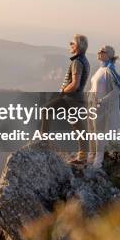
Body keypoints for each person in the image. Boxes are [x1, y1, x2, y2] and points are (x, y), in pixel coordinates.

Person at [40, 34, 90, 164]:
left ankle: (43, 141)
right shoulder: (84, 60)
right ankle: (83, 157)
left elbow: (75, 84)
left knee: (46, 110)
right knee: (79, 127)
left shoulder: (77, 62)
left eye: (71, 43)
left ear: (77, 46)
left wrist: (62, 91)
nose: (70, 45)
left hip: (70, 98)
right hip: (77, 99)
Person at [88, 45, 120, 169]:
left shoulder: (109, 71)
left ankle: (97, 162)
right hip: (92, 106)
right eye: (99, 50)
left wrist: (102, 101)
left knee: (99, 134)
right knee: (92, 132)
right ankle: (91, 157)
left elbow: (117, 91)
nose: (99, 52)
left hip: (101, 107)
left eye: (102, 51)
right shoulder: (100, 69)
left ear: (108, 55)